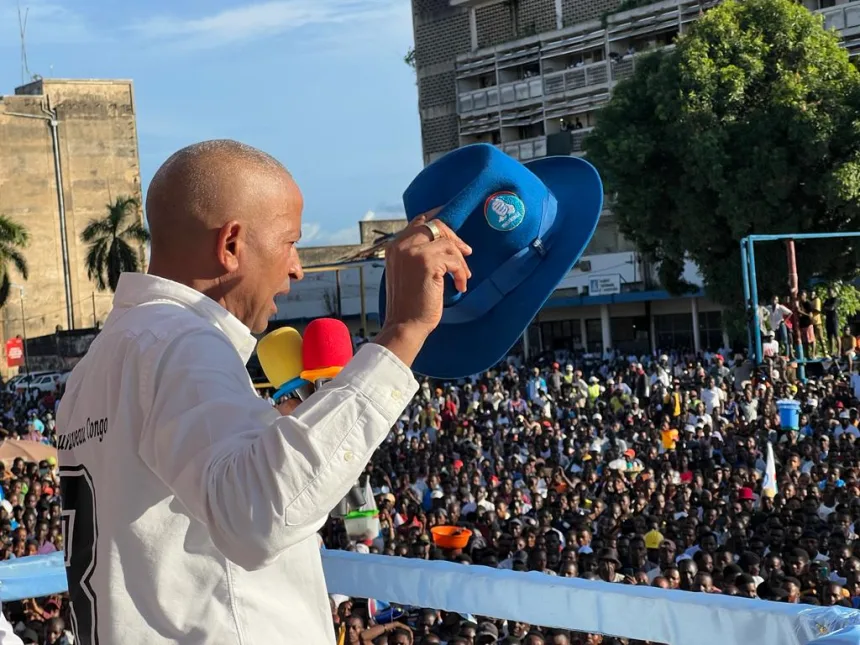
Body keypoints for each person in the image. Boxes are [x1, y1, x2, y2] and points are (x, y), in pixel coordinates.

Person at [56, 140, 472, 644]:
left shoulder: (105, 360)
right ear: (231, 244)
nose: (296, 268)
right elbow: (256, 516)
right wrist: (401, 333)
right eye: (290, 242)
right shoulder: (180, 342)